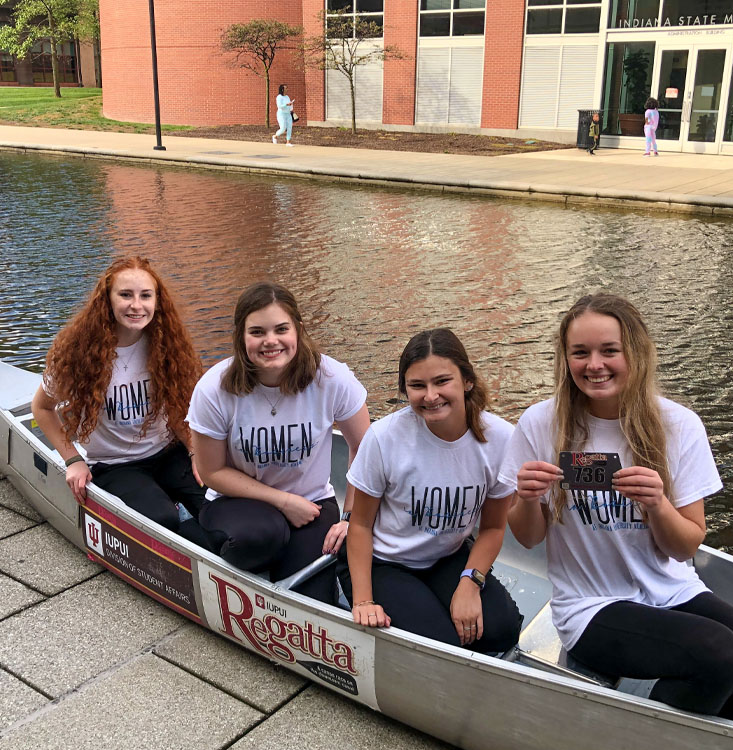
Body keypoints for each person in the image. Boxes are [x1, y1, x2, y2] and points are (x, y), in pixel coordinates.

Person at [503, 293, 733, 726]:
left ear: (636, 353)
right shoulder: (541, 423)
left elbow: (685, 548)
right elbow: (529, 537)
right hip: (589, 606)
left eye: (610, 351)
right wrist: (528, 497)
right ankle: (647, 735)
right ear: (565, 359)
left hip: (673, 590)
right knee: (718, 654)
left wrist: (659, 505)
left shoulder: (679, 425)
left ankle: (694, 735)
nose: (594, 365)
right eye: (580, 353)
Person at [341, 328, 522, 652]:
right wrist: (364, 600)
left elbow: (494, 528)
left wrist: (470, 582)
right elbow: (361, 525)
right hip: (385, 560)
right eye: (417, 386)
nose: (430, 396)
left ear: (466, 380)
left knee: (502, 630)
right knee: (444, 646)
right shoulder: (385, 438)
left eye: (442, 381)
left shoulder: (500, 439)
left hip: (446, 556)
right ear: (405, 389)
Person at [187, 282, 369, 604]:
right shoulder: (214, 389)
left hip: (312, 506)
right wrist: (283, 502)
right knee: (261, 538)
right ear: (241, 337)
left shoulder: (331, 379)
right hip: (237, 502)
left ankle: (276, 567)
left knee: (312, 600)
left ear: (297, 330)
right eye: (257, 332)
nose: (271, 341)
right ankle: (201, 544)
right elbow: (211, 471)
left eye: (281, 329)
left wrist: (350, 519)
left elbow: (367, 452)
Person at [31, 256, 209, 546]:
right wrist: (73, 460)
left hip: (167, 452)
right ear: (107, 300)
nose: (136, 305)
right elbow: (42, 408)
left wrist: (194, 452)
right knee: (163, 520)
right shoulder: (79, 350)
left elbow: (178, 407)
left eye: (145, 296)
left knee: (218, 507)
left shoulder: (167, 343)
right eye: (125, 295)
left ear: (157, 301)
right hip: (115, 465)